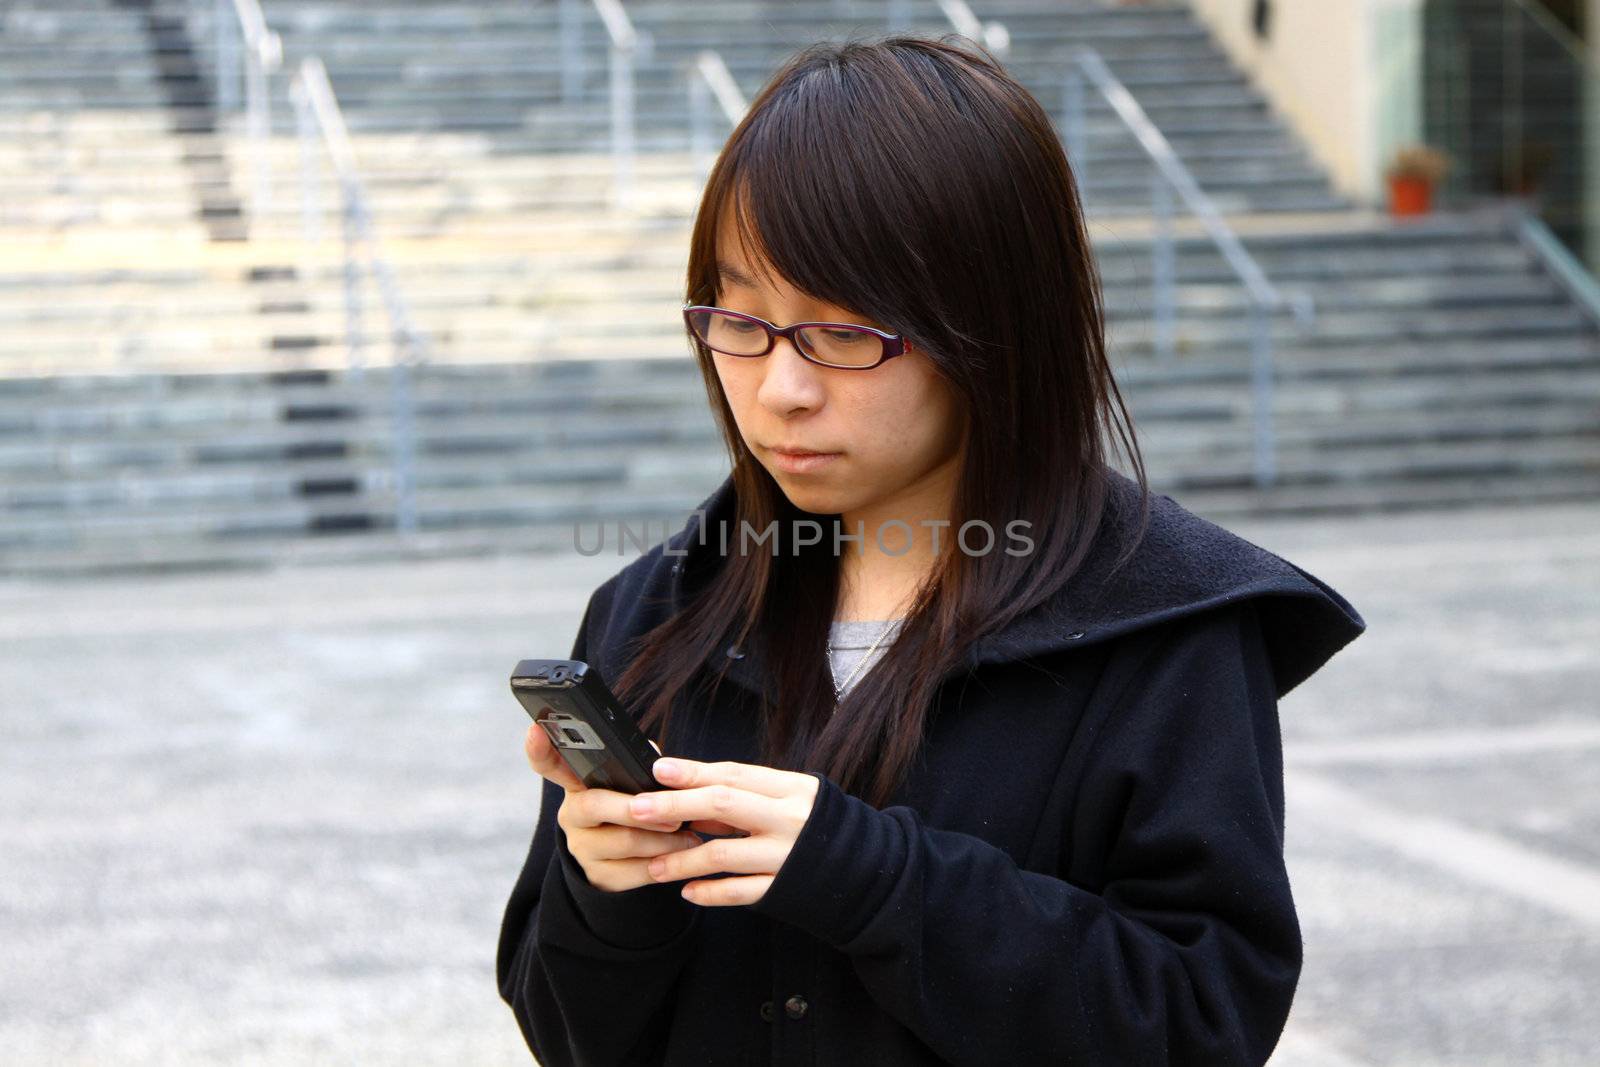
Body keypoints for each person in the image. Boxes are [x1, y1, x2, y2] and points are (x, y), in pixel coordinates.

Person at [497, 34, 1366, 1067]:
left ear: (993, 328)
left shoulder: (1163, 627)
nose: (780, 388)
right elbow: (566, 1033)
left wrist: (873, 878)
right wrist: (609, 896)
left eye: (844, 331)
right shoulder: (658, 610)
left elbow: (1196, 1022)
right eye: (741, 319)